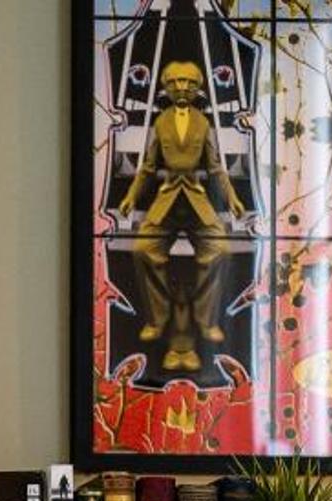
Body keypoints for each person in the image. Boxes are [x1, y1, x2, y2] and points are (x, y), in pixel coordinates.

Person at [121, 61, 247, 379]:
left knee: (220, 250)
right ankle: (158, 318)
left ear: (197, 88)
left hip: (195, 197)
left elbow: (215, 167)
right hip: (166, 199)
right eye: (175, 82)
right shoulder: (161, 122)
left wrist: (232, 198)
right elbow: (148, 167)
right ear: (166, 86)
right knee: (143, 250)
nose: (181, 88)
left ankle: (206, 319)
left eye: (188, 83)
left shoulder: (203, 123)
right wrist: (132, 197)